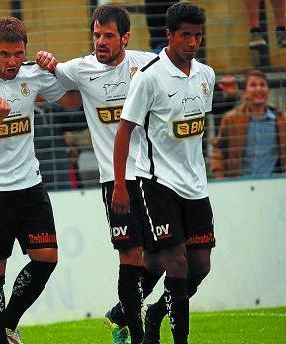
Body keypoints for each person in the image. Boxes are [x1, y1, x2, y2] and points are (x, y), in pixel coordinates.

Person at [35, 5, 163, 344]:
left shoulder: (147, 63)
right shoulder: (80, 69)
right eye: (96, 35)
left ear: (125, 37)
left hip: (154, 174)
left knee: (160, 257)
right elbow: (48, 80)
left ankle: (120, 313)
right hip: (115, 178)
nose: (100, 42)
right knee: (130, 254)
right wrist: (48, 62)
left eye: (108, 35)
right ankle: (133, 334)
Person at [0, 16, 78, 344]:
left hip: (29, 185)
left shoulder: (30, 74)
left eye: (18, 54)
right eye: (5, 55)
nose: (13, 62)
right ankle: (1, 339)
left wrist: (55, 69)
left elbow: (72, 99)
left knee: (47, 258)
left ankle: (8, 322)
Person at [112, 3, 215, 344]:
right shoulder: (149, 77)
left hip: (195, 186)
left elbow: (196, 130)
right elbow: (124, 131)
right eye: (186, 34)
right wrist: (121, 187)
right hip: (156, 184)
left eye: (198, 35)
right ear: (169, 35)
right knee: (177, 263)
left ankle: (155, 312)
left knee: (200, 266)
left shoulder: (206, 76)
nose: (193, 42)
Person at [211, 69, 286, 179]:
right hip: (240, 186)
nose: (258, 89)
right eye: (253, 85)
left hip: (273, 186)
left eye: (262, 85)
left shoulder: (281, 121)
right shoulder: (230, 119)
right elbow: (219, 152)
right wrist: (220, 179)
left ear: (268, 91)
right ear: (245, 92)